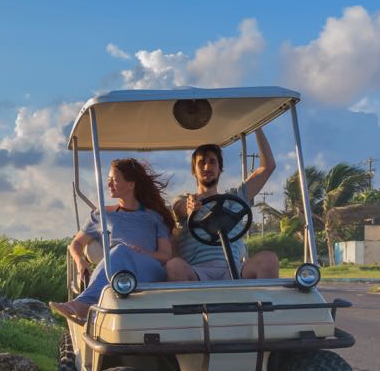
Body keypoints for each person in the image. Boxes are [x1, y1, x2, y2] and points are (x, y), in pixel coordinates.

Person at [50, 158, 175, 322]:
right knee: (119, 252)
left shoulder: (154, 217)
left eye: (114, 180)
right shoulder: (102, 214)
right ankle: (88, 304)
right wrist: (80, 261)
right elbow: (77, 243)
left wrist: (143, 252)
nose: (109, 185)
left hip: (149, 270)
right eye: (108, 180)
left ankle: (84, 303)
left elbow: (166, 255)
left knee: (121, 250)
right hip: (118, 273)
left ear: (131, 184)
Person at [166, 129, 280, 281]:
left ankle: (263, 304)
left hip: (234, 269)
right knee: (174, 266)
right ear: (194, 171)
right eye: (201, 163)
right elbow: (180, 208)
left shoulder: (237, 197)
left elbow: (268, 167)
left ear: (220, 168)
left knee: (269, 259)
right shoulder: (186, 200)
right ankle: (190, 305)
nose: (207, 167)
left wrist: (256, 127)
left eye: (212, 162)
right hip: (198, 271)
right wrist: (189, 209)